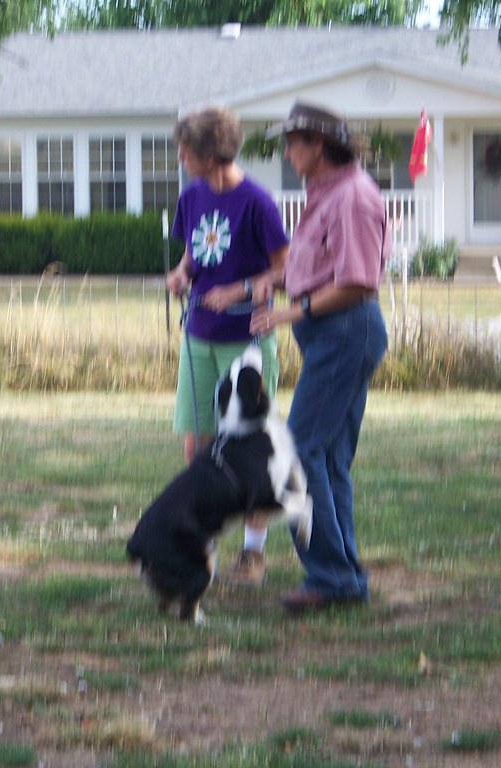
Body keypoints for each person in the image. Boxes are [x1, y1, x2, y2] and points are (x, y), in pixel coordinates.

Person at [250, 102, 389, 614]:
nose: (286, 152)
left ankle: (331, 576)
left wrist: (293, 312)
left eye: (292, 142)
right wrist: (274, 280)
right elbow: (319, 267)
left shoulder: (351, 198)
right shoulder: (326, 194)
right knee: (327, 460)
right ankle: (343, 575)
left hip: (344, 331)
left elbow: (356, 282)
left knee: (297, 453)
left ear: (318, 145)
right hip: (333, 334)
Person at [165, 104, 290, 587]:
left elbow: (285, 266)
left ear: (211, 153)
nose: (180, 156)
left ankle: (254, 553)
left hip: (248, 340)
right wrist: (182, 274)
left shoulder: (257, 201)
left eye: (187, 149)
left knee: (248, 447)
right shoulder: (193, 194)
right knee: (198, 444)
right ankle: (204, 542)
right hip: (199, 336)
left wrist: (238, 289)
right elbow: (195, 253)